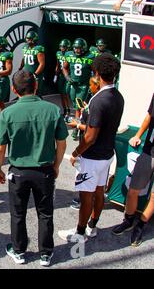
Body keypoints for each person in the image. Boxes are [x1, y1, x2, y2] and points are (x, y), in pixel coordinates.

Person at [0, 69, 67, 267]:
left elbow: (0, 148)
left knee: (18, 213)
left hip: (18, 171)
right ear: (36, 86)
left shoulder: (7, 113)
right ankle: (46, 253)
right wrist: (57, 165)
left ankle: (19, 251)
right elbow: (62, 142)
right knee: (45, 213)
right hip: (44, 171)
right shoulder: (52, 110)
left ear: (13, 89)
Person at [58, 53, 124, 243]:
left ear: (96, 73)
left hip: (92, 157)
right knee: (98, 191)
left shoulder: (98, 100)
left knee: (86, 195)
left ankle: (79, 234)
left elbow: (90, 137)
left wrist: (76, 153)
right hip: (107, 155)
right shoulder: (118, 96)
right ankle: (91, 227)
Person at [111, 92, 154, 246]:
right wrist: (138, 135)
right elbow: (149, 115)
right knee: (133, 190)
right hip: (150, 150)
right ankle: (128, 220)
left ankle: (141, 225)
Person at [66, 75, 100, 211]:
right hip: (89, 143)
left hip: (88, 145)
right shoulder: (93, 100)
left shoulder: (98, 103)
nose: (89, 88)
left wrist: (77, 125)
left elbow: (93, 129)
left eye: (91, 85)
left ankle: (81, 200)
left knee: (83, 173)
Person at [63, 38, 95, 140]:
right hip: (74, 85)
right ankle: (80, 121)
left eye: (79, 48)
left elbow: (95, 71)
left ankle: (77, 127)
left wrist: (93, 83)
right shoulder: (69, 54)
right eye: (75, 48)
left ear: (84, 48)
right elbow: (64, 67)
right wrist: (67, 77)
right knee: (75, 104)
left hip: (83, 85)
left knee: (78, 106)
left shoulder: (90, 56)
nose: (77, 50)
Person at [19, 31, 45, 96]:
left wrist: (35, 74)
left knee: (36, 94)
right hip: (26, 74)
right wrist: (20, 67)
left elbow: (42, 64)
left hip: (35, 74)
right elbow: (24, 58)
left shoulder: (38, 48)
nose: (28, 40)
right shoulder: (25, 47)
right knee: (26, 93)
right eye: (27, 38)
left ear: (34, 39)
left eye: (29, 38)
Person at [55, 39, 72, 119]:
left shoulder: (71, 54)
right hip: (61, 76)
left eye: (64, 47)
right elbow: (58, 64)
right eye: (61, 46)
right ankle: (65, 109)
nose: (62, 48)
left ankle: (68, 110)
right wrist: (56, 75)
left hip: (68, 76)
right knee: (62, 94)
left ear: (68, 47)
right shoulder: (58, 53)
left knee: (66, 93)